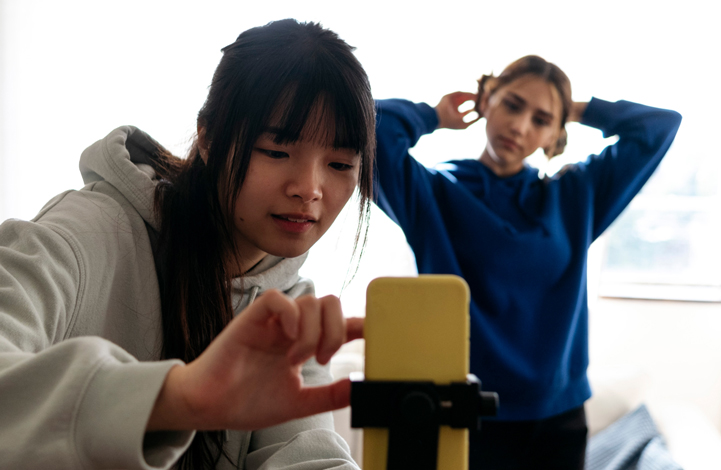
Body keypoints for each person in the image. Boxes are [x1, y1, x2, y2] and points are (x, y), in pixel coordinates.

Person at [0, 19, 374, 470]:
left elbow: (308, 457)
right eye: (276, 152)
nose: (309, 189)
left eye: (339, 163)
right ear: (210, 139)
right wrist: (178, 398)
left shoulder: (287, 306)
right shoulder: (88, 233)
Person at [373, 55, 682, 469]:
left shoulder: (574, 197)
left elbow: (659, 127)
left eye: (541, 119)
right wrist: (433, 115)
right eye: (512, 105)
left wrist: (576, 108)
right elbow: (370, 129)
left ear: (556, 134)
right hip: (464, 413)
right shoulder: (435, 195)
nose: (519, 127)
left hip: (557, 422)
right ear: (487, 101)